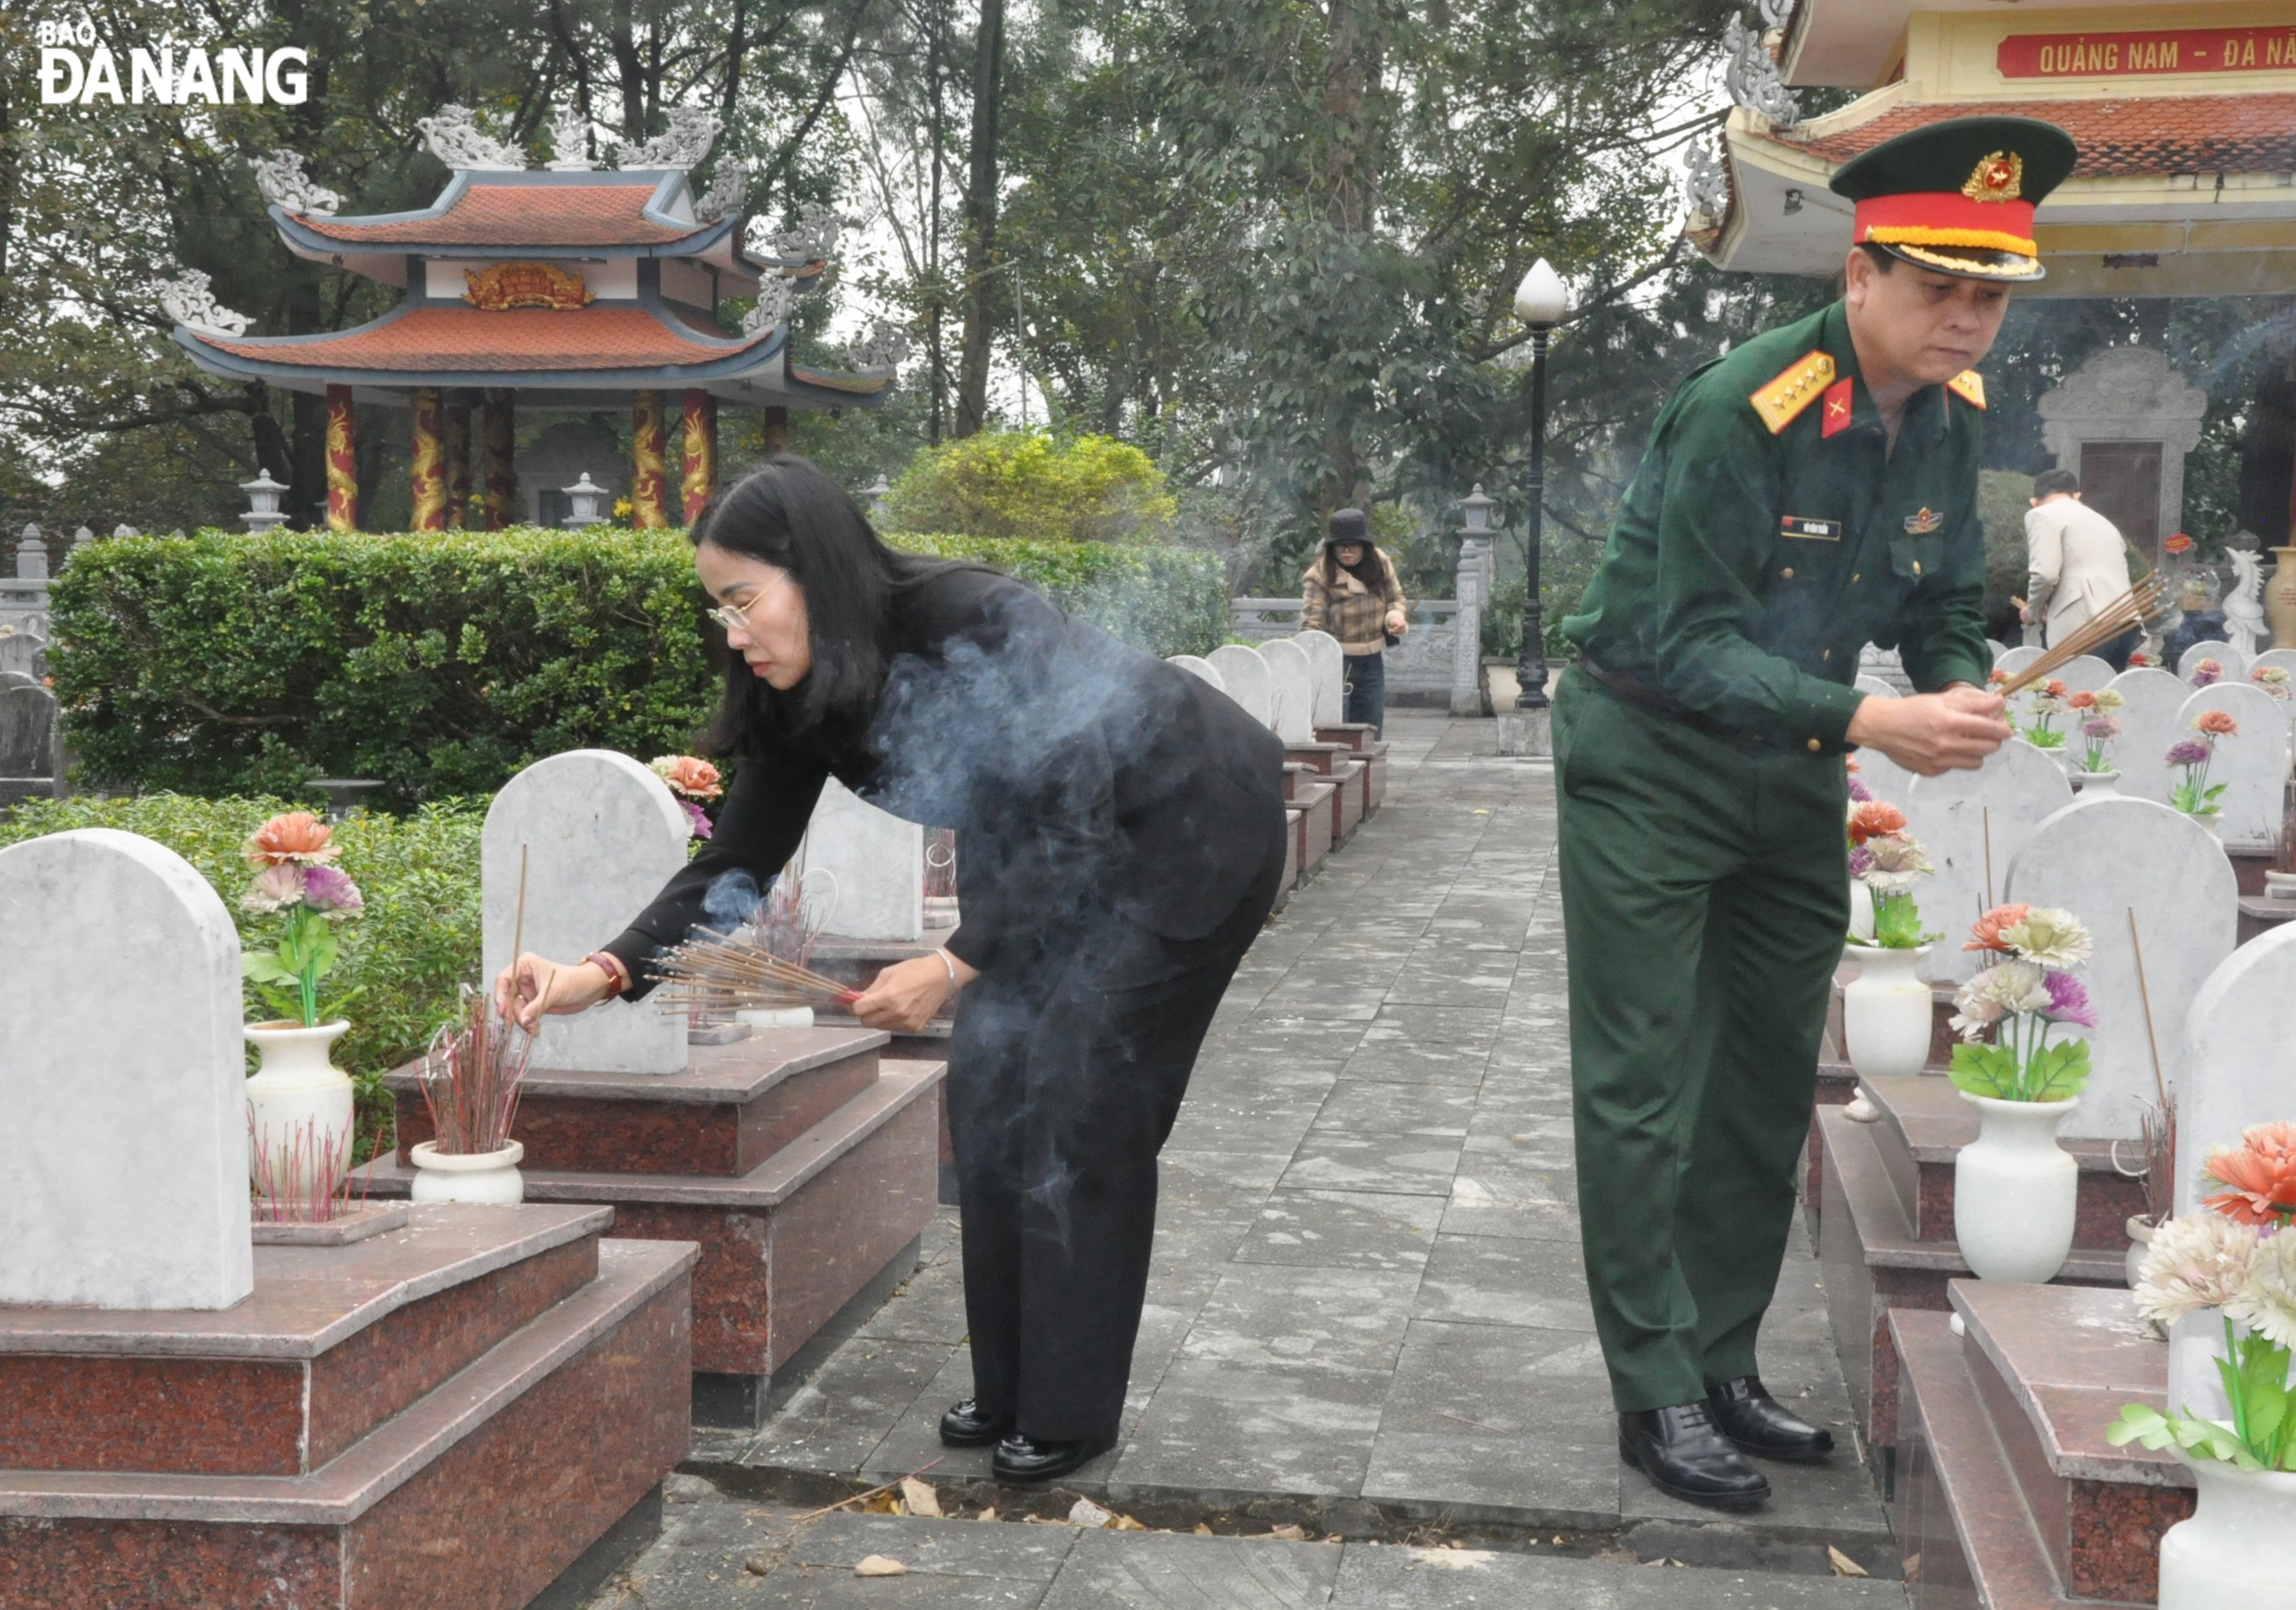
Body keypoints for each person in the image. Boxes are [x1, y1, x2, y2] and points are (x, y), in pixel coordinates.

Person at [494, 455, 1288, 1484]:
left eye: (743, 601)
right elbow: (738, 861)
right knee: (994, 1085)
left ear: (812, 574)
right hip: (1043, 852)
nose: (731, 632)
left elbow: (1077, 811)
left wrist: (955, 965)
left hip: (1186, 827)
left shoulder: (980, 618)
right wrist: (596, 974)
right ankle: (1014, 1388)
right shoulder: (800, 689)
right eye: (717, 609)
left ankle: (1072, 1409)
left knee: (1081, 1095)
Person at [1549, 116, 2071, 1511]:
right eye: (1936, 286)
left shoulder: (1953, 424)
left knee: (1766, 1081)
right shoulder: (1744, 406)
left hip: (1785, 768)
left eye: (1989, 295)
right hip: (1649, 757)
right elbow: (1689, 641)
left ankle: (1722, 1359)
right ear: (1860, 275)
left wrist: (1958, 691)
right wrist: (1877, 720)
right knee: (1645, 1080)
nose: (1966, 319)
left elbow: (1949, 601)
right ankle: (1652, 1385)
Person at [1299, 507, 1408, 737]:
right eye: (1342, 546)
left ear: (1365, 547)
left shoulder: (1380, 561)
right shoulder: (1318, 576)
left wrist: (1395, 617)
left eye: (1354, 545)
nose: (1348, 551)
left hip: (1372, 661)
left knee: (1371, 732)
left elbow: (1395, 598)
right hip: (1337, 663)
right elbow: (1310, 628)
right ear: (1332, 548)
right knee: (1338, 732)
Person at [2022, 467, 2138, 671]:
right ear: (2076, 495)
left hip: (2086, 623)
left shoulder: (2041, 514)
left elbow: (2045, 574)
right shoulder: (2103, 522)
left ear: (2034, 501)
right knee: (2107, 699)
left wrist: (2032, 612)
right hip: (2126, 620)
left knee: (2073, 697)